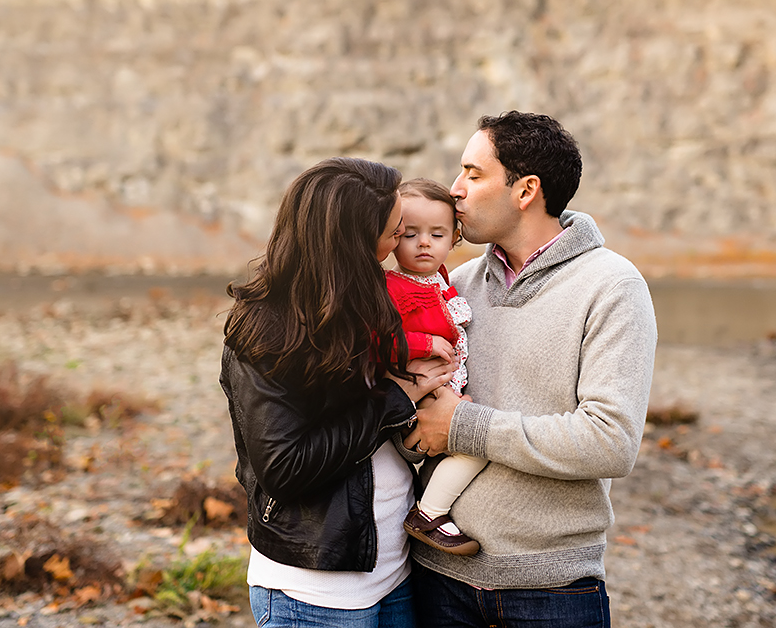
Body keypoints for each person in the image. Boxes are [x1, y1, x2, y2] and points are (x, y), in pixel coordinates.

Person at [403, 112, 657, 628]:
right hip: (436, 581)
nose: (455, 191)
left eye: (474, 174)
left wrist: (465, 427)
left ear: (526, 190)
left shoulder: (611, 286)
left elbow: (611, 441)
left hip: (550, 593)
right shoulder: (454, 288)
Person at [220, 157, 454, 628]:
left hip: (395, 576)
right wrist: (395, 401)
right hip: (314, 592)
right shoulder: (268, 329)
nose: (398, 245)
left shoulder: (368, 294)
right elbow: (284, 468)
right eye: (394, 232)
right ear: (351, 244)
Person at [384, 178, 486, 557]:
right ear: (393, 236)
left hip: (440, 387)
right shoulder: (391, 287)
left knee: (464, 438)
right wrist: (424, 343)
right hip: (416, 391)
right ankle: (429, 513)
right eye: (410, 234)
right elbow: (375, 340)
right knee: (475, 447)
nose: (424, 243)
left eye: (437, 234)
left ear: (454, 238)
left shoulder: (441, 278)